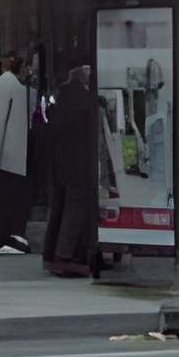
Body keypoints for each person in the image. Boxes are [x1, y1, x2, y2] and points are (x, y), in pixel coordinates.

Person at [36, 63, 105, 277]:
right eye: (87, 68)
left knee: (61, 206)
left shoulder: (63, 95)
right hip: (76, 161)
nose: (91, 72)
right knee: (76, 205)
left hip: (62, 160)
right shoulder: (79, 97)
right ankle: (65, 255)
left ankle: (55, 254)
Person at [0, 46, 39, 253]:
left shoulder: (7, 85)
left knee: (6, 199)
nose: (29, 71)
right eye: (27, 66)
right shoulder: (10, 86)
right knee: (9, 199)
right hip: (11, 157)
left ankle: (4, 238)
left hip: (10, 156)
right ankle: (6, 238)